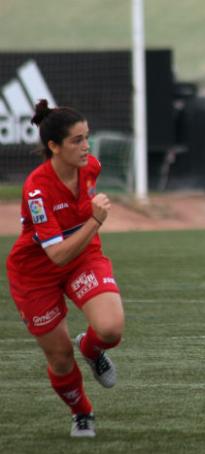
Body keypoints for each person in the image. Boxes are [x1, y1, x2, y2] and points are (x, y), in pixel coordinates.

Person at [5, 100, 125, 436]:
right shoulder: (37, 190)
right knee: (59, 358)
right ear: (53, 147)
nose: (86, 146)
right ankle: (82, 412)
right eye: (76, 140)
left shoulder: (92, 167)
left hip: (83, 257)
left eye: (87, 137)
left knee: (110, 329)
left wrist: (89, 228)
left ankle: (90, 348)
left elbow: (72, 250)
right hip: (36, 273)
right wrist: (95, 221)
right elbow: (56, 255)